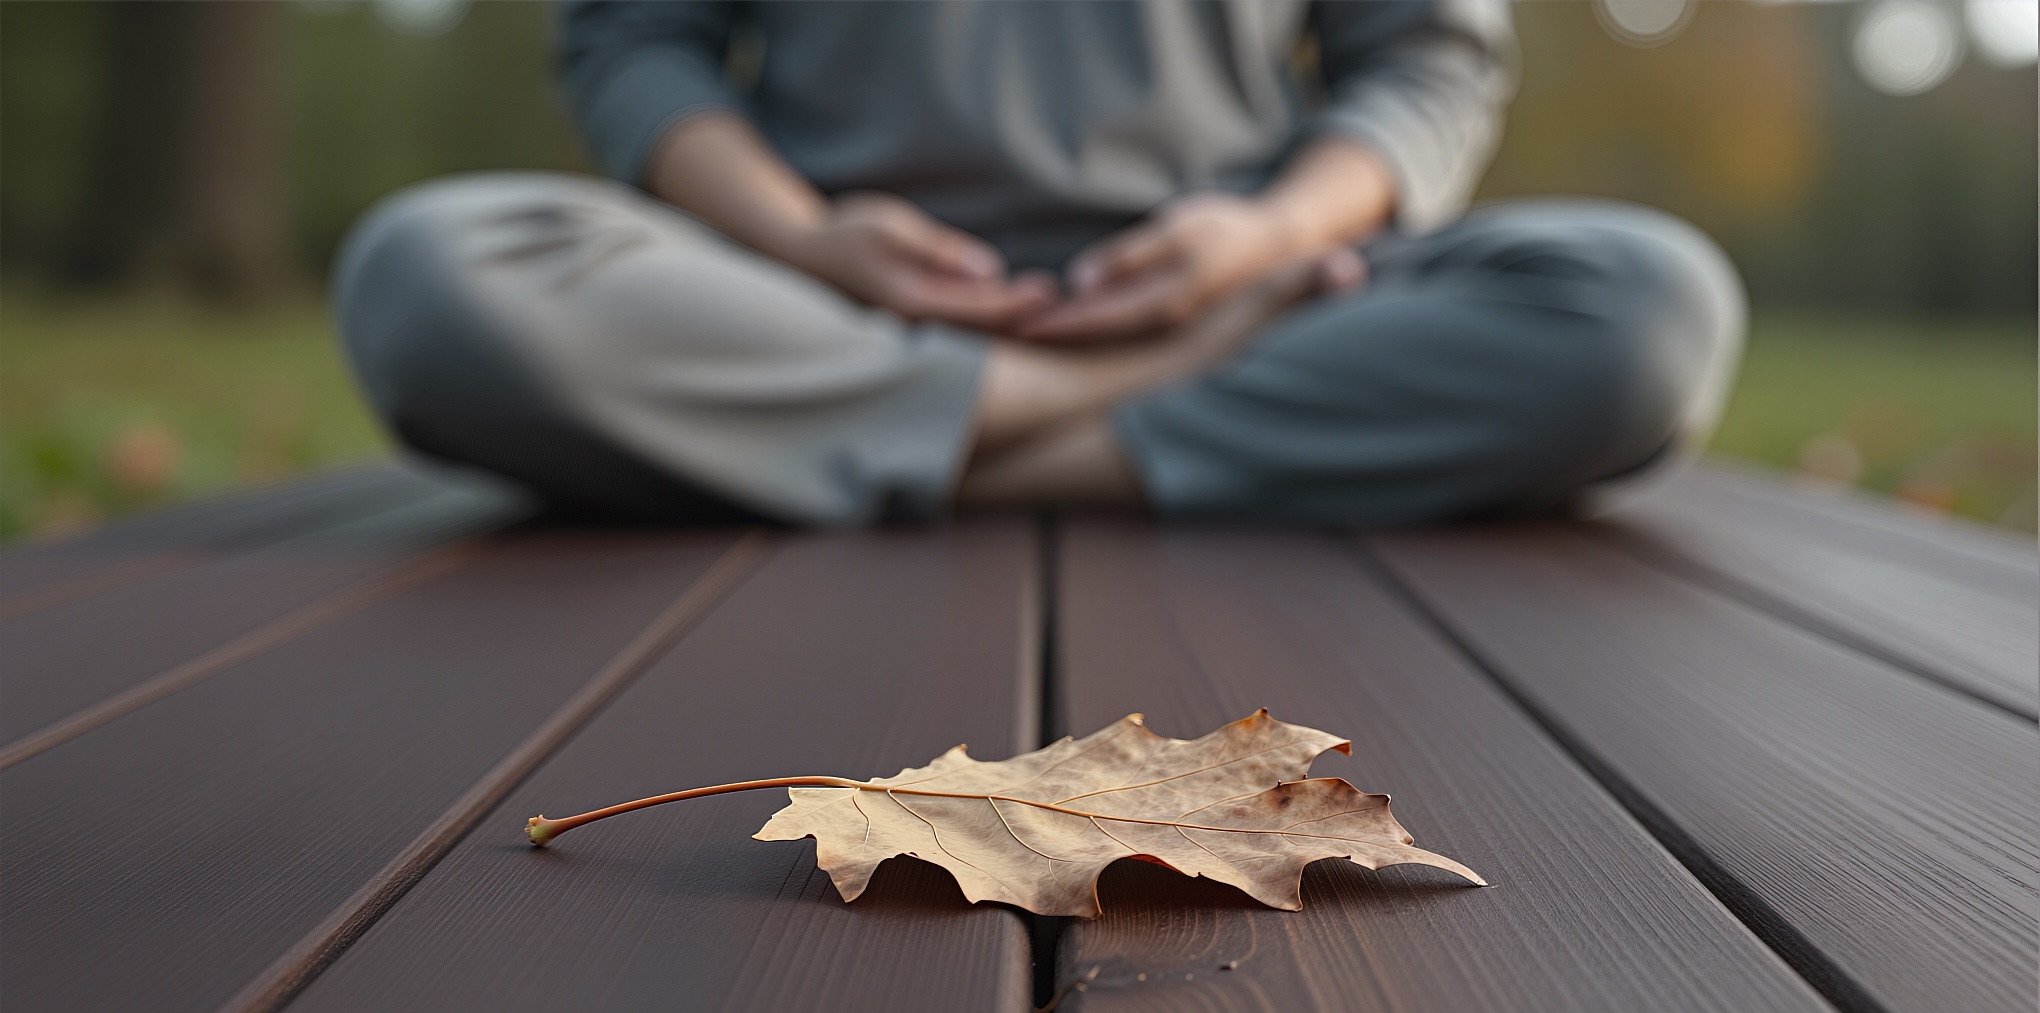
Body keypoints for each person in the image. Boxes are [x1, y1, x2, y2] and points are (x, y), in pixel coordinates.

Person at [334, 0, 1745, 526]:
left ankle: (893, 442)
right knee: (432, 279)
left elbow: (1422, 63)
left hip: (1254, 292)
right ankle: (1123, 399)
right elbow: (635, 40)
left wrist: (1268, 237)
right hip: (816, 300)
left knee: (1646, 312)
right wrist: (802, 239)